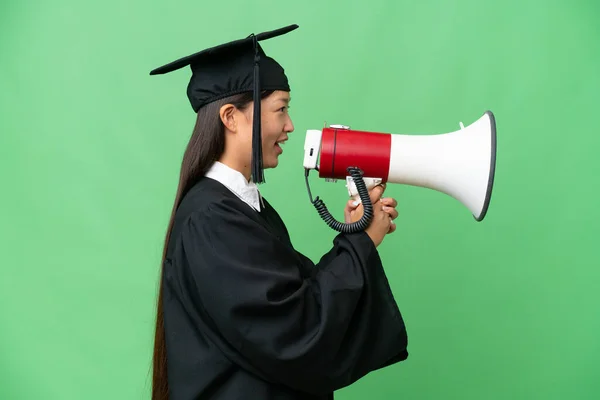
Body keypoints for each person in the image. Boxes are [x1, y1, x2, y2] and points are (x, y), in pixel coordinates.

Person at [149, 24, 409, 400]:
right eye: (280, 109)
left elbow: (295, 300)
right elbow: (295, 332)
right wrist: (361, 243)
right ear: (230, 117)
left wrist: (357, 234)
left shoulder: (241, 207)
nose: (289, 126)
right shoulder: (211, 218)